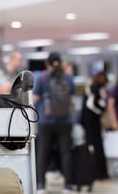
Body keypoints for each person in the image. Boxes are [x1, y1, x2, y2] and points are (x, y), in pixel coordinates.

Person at [33, 52, 75, 192]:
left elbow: (36, 97)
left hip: (45, 120)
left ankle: (41, 185)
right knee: (66, 153)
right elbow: (71, 99)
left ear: (47, 64)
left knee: (43, 151)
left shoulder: (42, 78)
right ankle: (67, 185)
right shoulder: (68, 78)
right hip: (65, 120)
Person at [80, 71, 109, 180]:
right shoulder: (96, 89)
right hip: (93, 123)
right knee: (98, 148)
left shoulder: (91, 88)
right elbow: (93, 105)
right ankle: (100, 174)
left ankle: (92, 173)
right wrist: (102, 110)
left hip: (88, 123)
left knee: (90, 148)